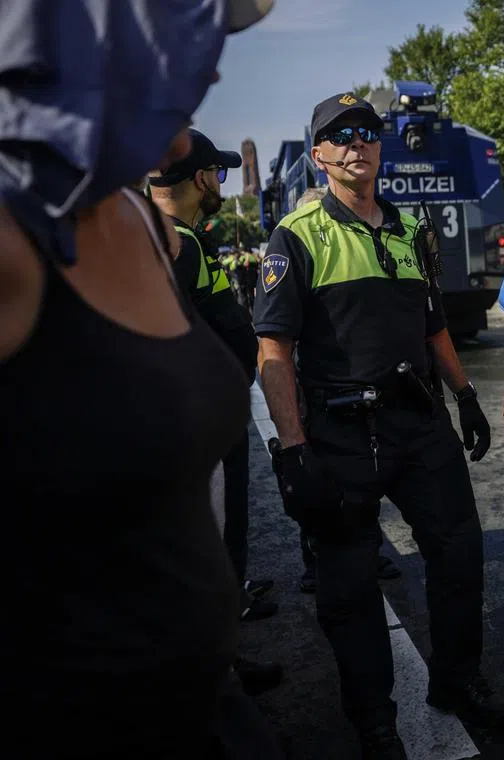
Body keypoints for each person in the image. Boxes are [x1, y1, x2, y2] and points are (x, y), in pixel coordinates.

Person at [0, 0, 280, 755]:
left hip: (204, 714)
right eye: (182, 36)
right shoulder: (11, 242)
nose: (211, 70)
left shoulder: (147, 223)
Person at [254, 91, 504, 758]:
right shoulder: (296, 236)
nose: (357, 144)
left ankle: (457, 681)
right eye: (340, 135)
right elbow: (274, 350)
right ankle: (374, 720)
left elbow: (433, 324)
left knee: (459, 556)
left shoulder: (410, 228)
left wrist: (465, 395)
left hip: (420, 423)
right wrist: (293, 449)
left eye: (367, 132)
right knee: (349, 587)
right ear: (318, 155)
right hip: (341, 436)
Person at [149, 129, 279, 623]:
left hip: (210, 416)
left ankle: (231, 593)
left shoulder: (174, 239)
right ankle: (220, 636)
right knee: (212, 522)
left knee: (225, 521)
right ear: (201, 179)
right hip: (202, 424)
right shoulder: (175, 245)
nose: (221, 182)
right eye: (218, 173)